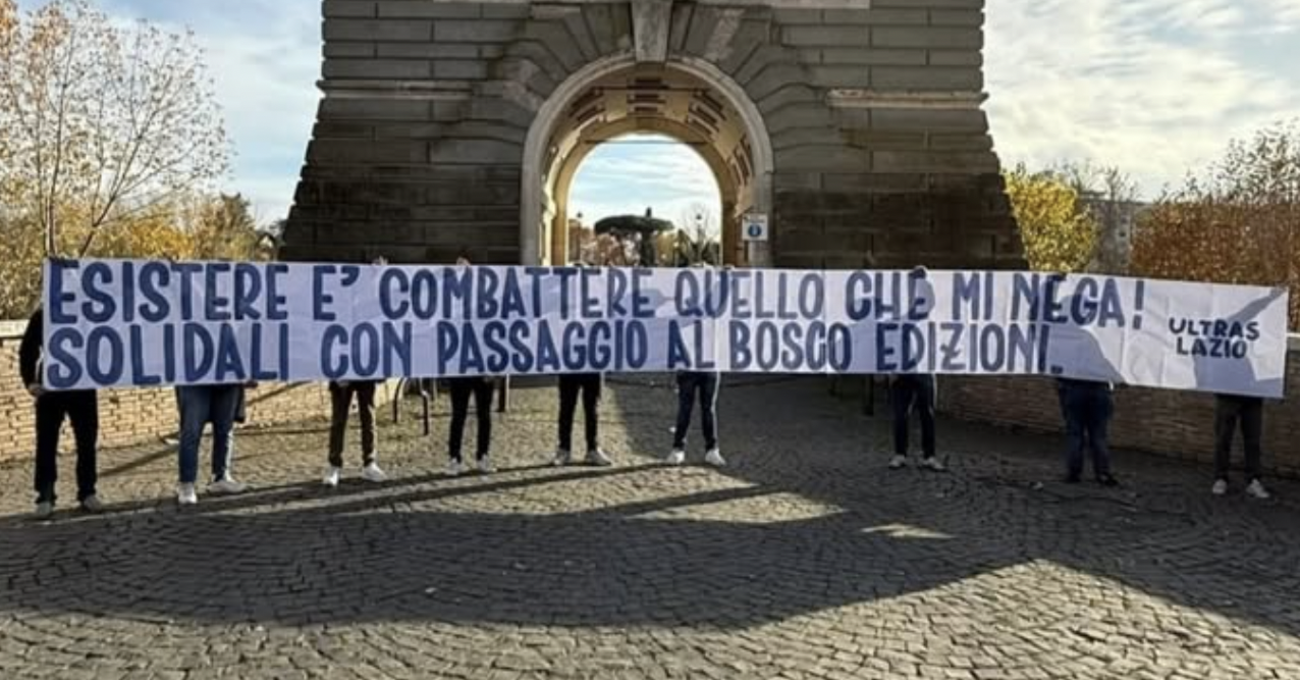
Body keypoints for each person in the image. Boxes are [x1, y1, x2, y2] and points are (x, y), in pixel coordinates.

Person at [20, 306, 103, 518]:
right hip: (50, 385)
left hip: (83, 384)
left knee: (87, 441)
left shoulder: (88, 312)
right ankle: (45, 496)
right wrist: (30, 381)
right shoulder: (42, 315)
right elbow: (28, 348)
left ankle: (87, 492)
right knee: (46, 442)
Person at [323, 256, 389, 488]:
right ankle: (334, 465)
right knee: (339, 419)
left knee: (367, 416)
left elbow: (385, 311)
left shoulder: (369, 302)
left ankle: (369, 462)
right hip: (341, 364)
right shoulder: (337, 301)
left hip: (365, 364)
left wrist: (379, 277)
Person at [445, 254, 496, 476]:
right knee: (459, 414)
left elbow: (495, 333)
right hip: (460, 366)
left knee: (484, 414)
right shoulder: (452, 304)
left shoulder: (487, 304)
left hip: (483, 366)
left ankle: (482, 456)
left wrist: (493, 366)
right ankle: (454, 457)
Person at [175, 382, 250, 504]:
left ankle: (221, 478)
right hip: (193, 379)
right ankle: (186, 483)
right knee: (191, 431)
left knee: (225, 429)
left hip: (228, 378)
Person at [1057, 378, 1118, 486]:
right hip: (1100, 389)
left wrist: (1062, 388)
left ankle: (1073, 474)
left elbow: (1059, 374)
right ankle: (1103, 474)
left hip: (1073, 389)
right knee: (1099, 435)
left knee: (1075, 434)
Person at [1212, 393, 1270, 499]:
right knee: (1223, 438)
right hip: (1227, 394)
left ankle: (1253, 480)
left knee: (1253, 440)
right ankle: (1220, 478)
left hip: (1253, 396)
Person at [666, 369, 725, 467]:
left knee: (708, 409)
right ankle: (678, 448)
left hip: (710, 368)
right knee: (685, 408)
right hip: (688, 368)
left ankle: (712, 449)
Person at [554, 371, 613, 467]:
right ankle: (564, 449)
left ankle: (593, 449)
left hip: (593, 370)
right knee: (566, 409)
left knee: (592, 410)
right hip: (569, 370)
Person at [888, 373, 944, 471]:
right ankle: (900, 454)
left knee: (928, 414)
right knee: (900, 415)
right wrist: (890, 372)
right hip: (902, 373)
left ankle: (929, 456)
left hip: (924, 372)